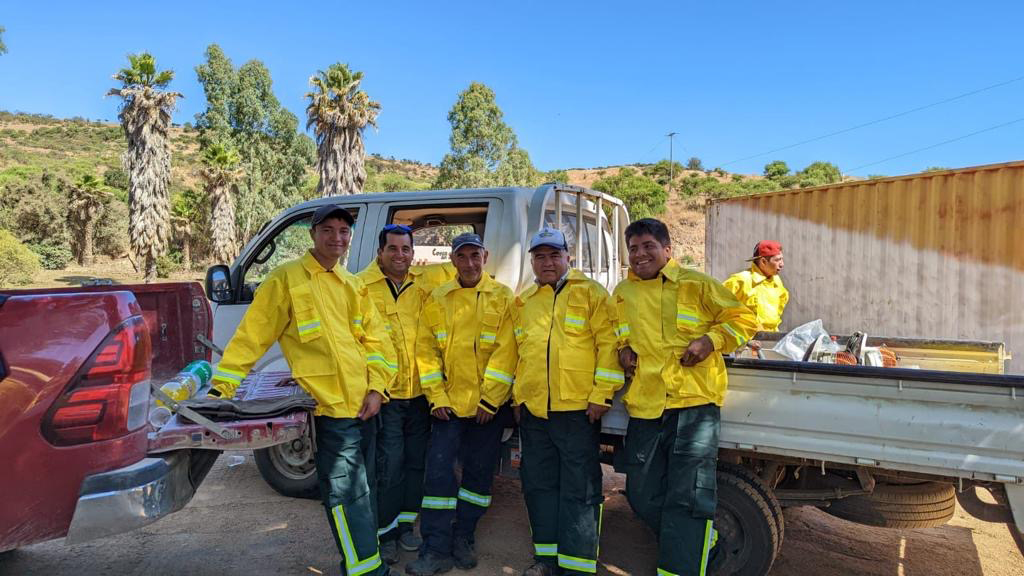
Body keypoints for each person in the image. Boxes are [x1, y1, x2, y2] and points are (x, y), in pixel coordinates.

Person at [210, 204, 398, 576]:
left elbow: (379, 345)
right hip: (330, 412)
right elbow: (253, 336)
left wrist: (377, 390)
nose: (336, 238)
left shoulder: (352, 285)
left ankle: (365, 560)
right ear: (312, 234)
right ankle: (366, 570)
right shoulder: (286, 280)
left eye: (343, 232)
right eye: (328, 230)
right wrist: (223, 386)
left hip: (366, 406)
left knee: (365, 489)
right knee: (346, 493)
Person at [613, 218, 757, 576]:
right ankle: (697, 539)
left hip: (694, 403)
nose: (640, 254)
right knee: (641, 494)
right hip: (646, 403)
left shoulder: (698, 284)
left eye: (648, 246)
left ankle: (680, 567)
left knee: (688, 496)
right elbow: (616, 329)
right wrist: (622, 347)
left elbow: (744, 318)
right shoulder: (623, 292)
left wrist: (711, 341)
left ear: (667, 249)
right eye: (633, 248)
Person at [485, 227, 623, 575]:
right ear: (532, 260)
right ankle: (546, 560)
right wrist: (516, 398)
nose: (547, 262)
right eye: (540, 256)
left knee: (581, 489)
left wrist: (600, 395)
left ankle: (577, 566)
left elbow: (608, 346)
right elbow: (513, 355)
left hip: (577, 411)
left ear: (568, 257)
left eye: (554, 255)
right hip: (533, 411)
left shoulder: (591, 294)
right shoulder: (525, 302)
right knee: (538, 486)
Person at [406, 233, 515, 576]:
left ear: (486, 256)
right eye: (462, 257)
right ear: (452, 260)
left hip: (486, 409)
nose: (469, 263)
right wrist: (436, 397)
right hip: (448, 407)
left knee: (479, 476)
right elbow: (426, 352)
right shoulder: (437, 298)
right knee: (438, 477)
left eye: (475, 256)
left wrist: (491, 400)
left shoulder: (503, 297)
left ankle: (463, 537)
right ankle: (435, 547)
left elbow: (507, 353)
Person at [357, 225, 438, 564]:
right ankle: (385, 533)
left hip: (420, 394)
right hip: (386, 395)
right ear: (380, 252)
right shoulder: (360, 287)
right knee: (389, 466)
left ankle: (406, 527)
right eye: (393, 249)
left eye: (406, 249)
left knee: (416, 463)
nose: (400, 255)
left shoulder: (423, 287)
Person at [723, 240, 788, 333]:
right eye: (777, 260)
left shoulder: (777, 282)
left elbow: (778, 311)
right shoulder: (740, 280)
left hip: (769, 339)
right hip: (743, 341)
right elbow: (718, 309)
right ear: (763, 261)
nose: (782, 264)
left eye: (782, 259)